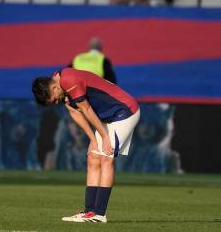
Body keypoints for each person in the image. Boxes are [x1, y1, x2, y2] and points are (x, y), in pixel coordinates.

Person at [31, 67, 140, 223]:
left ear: (54, 87)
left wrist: (104, 136)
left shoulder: (68, 81)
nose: (56, 102)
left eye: (54, 99)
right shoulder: (59, 84)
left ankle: (99, 214)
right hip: (107, 117)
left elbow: (86, 109)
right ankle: (89, 212)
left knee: (106, 159)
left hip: (124, 111)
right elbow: (75, 112)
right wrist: (93, 140)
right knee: (93, 158)